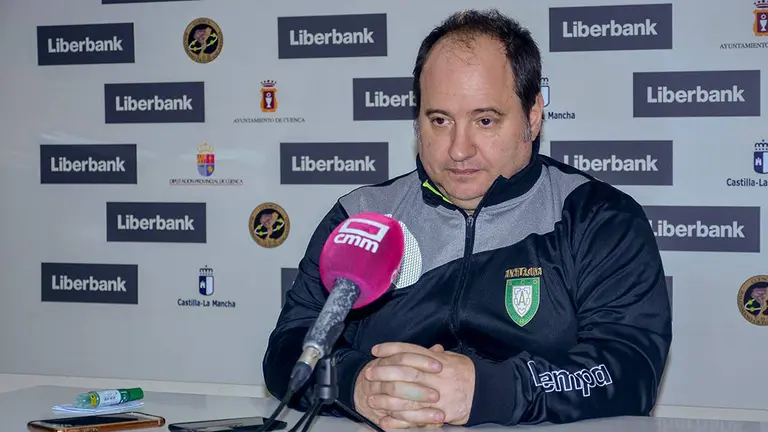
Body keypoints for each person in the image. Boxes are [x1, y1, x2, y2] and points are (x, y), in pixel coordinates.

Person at [263, 8, 672, 429]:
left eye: (485, 120)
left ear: (532, 116)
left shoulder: (598, 217)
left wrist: (489, 391)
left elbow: (630, 370)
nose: (459, 149)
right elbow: (289, 349)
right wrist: (358, 385)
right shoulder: (362, 217)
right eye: (440, 120)